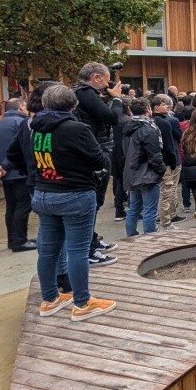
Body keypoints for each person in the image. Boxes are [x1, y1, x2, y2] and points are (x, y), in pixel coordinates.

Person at [29, 84, 117, 321]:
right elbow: (98, 160)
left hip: (44, 192)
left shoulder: (36, 128)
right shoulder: (77, 129)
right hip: (74, 193)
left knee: (47, 250)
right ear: (74, 104)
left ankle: (50, 298)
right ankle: (82, 302)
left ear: (45, 103)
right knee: (77, 250)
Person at [72, 62, 123, 260]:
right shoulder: (85, 93)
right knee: (92, 201)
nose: (107, 85)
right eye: (106, 80)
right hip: (95, 150)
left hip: (95, 148)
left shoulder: (83, 94)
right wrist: (116, 99)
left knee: (95, 201)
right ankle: (88, 248)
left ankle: (91, 239)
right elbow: (112, 117)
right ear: (96, 77)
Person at [0, 98, 35, 252]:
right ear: (20, 107)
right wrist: (7, 166)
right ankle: (20, 241)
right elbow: (20, 147)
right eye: (26, 106)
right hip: (19, 170)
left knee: (11, 207)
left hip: (4, 173)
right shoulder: (23, 123)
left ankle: (12, 240)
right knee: (23, 206)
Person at [122, 98, 165, 239]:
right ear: (147, 109)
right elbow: (154, 154)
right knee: (149, 209)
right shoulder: (148, 129)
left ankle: (131, 236)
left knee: (134, 208)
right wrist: (161, 170)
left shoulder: (128, 128)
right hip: (147, 173)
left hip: (132, 171)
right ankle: (149, 238)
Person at [151, 95, 185, 228]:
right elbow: (176, 139)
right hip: (169, 159)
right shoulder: (169, 121)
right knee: (169, 188)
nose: (167, 106)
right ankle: (169, 216)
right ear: (156, 107)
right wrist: (173, 161)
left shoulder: (150, 121)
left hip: (155, 159)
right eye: (163, 104)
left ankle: (162, 216)